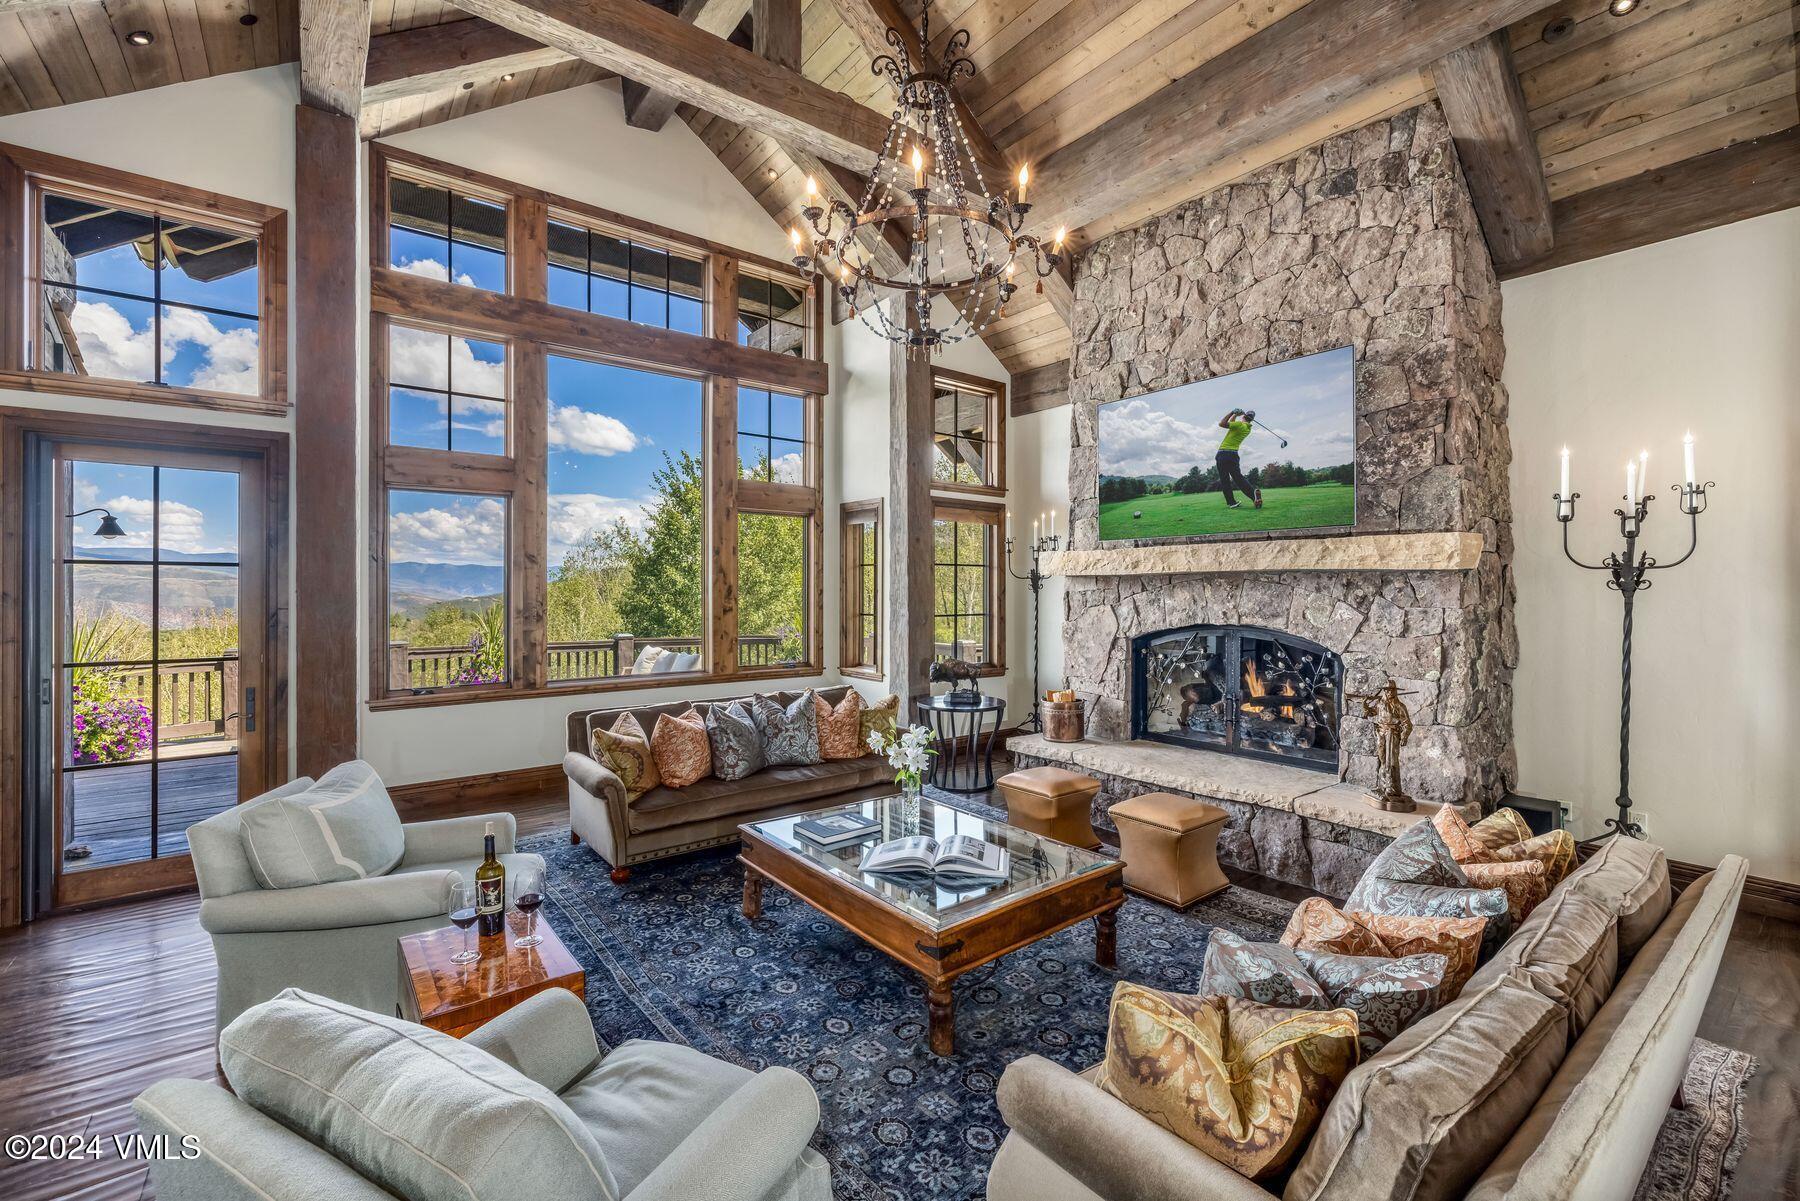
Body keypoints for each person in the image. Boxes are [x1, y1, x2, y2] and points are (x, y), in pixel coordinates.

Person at [1215, 408, 1263, 509]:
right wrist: (1235, 415)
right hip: (1233, 455)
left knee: (1225, 480)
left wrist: (1232, 412)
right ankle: (1253, 496)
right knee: (1238, 478)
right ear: (1251, 420)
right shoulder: (1247, 428)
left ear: (1244, 416)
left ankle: (1231, 502)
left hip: (1223, 453)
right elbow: (1232, 424)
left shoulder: (1239, 425)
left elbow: (1222, 424)